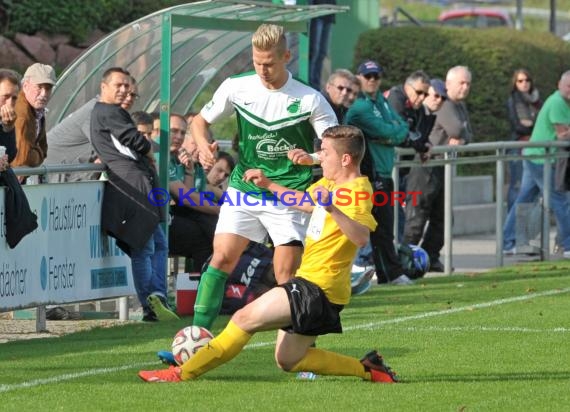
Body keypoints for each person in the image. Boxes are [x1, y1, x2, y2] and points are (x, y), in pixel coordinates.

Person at [138, 125, 398, 384]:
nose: (319, 157)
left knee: (243, 319)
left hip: (319, 287)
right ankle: (369, 369)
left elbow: (361, 236)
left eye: (325, 153)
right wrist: (269, 184)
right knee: (289, 359)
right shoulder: (330, 182)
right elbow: (303, 201)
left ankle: (180, 373)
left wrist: (332, 208)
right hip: (320, 287)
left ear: (345, 159)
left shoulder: (357, 191)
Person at [160, 23, 336, 331]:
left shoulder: (310, 99)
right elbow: (200, 121)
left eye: (269, 63)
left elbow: (333, 148)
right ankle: (197, 338)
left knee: (286, 276)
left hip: (288, 194)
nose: (262, 69)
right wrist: (202, 145)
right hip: (244, 188)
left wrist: (312, 158)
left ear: (286, 56)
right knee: (222, 259)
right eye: (256, 62)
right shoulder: (236, 87)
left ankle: (297, 347)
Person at [90, 67, 177, 322]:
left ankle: (158, 297)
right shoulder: (109, 111)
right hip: (132, 185)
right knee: (145, 247)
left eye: (127, 87)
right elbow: (132, 140)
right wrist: (147, 148)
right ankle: (151, 304)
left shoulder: (109, 112)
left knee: (159, 244)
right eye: (119, 85)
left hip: (138, 182)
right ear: (103, 87)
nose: (124, 90)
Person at [345, 59, 411, 286]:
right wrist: (389, 133)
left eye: (376, 76)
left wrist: (389, 134)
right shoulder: (361, 106)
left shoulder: (382, 100)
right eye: (367, 76)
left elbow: (402, 128)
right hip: (369, 174)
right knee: (377, 226)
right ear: (359, 77)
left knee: (383, 225)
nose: (372, 80)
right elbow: (386, 128)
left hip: (383, 172)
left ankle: (388, 272)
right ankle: (389, 273)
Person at [403, 67, 473, 273]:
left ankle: (429, 257)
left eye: (468, 83)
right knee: (416, 217)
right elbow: (458, 130)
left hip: (441, 168)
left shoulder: (458, 106)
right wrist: (462, 133)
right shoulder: (446, 106)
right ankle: (405, 261)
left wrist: (463, 135)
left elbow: (468, 135)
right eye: (461, 83)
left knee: (443, 218)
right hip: (425, 168)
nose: (465, 87)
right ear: (449, 83)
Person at [503, 70, 570, 259]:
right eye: (569, 86)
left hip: (538, 156)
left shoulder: (562, 101)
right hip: (541, 158)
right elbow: (562, 134)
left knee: (524, 199)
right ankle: (567, 245)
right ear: (559, 85)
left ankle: (507, 242)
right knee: (560, 200)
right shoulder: (557, 102)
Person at [386, 70, 433, 242]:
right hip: (385, 167)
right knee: (392, 217)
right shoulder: (396, 99)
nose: (422, 97)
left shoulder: (419, 109)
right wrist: (421, 146)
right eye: (419, 92)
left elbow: (420, 135)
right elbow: (401, 135)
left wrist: (423, 145)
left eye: (426, 93)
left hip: (401, 168)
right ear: (408, 87)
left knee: (398, 215)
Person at [12, 63, 56, 181]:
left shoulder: (37, 111)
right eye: (39, 87)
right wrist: (37, 154)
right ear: (25, 86)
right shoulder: (21, 112)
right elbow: (22, 158)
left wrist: (34, 152)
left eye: (48, 88)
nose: (44, 94)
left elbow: (44, 149)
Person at [506, 69, 542, 213]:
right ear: (515, 83)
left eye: (527, 80)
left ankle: (524, 228)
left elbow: (544, 124)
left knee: (532, 187)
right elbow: (518, 126)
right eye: (520, 81)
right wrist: (534, 125)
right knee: (517, 185)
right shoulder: (513, 100)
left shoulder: (537, 100)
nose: (524, 83)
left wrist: (531, 123)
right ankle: (511, 226)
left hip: (536, 147)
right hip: (518, 146)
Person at [309, 0, 337, 90]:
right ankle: (310, 83)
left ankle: (316, 85)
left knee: (322, 53)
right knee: (314, 51)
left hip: (329, 14)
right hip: (316, 14)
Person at [0, 69, 19, 170]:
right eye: (5, 96)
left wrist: (8, 129)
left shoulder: (6, 121)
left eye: (14, 98)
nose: (10, 103)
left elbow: (9, 156)